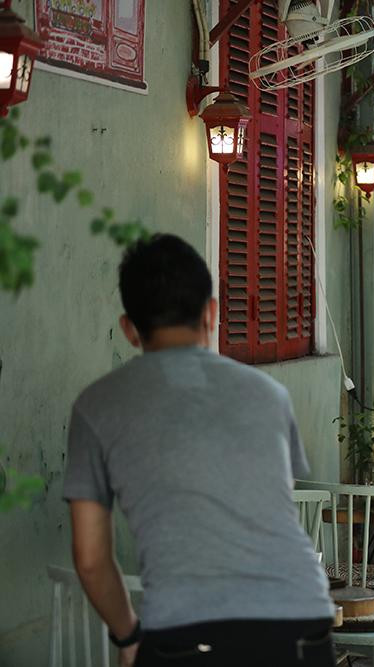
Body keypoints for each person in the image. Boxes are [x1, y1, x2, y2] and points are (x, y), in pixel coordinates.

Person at [64, 234, 335, 667]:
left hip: (186, 632)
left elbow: (91, 559)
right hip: (301, 620)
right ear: (211, 314)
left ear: (130, 330)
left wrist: (128, 636)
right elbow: (274, 505)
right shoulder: (268, 394)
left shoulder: (96, 406)